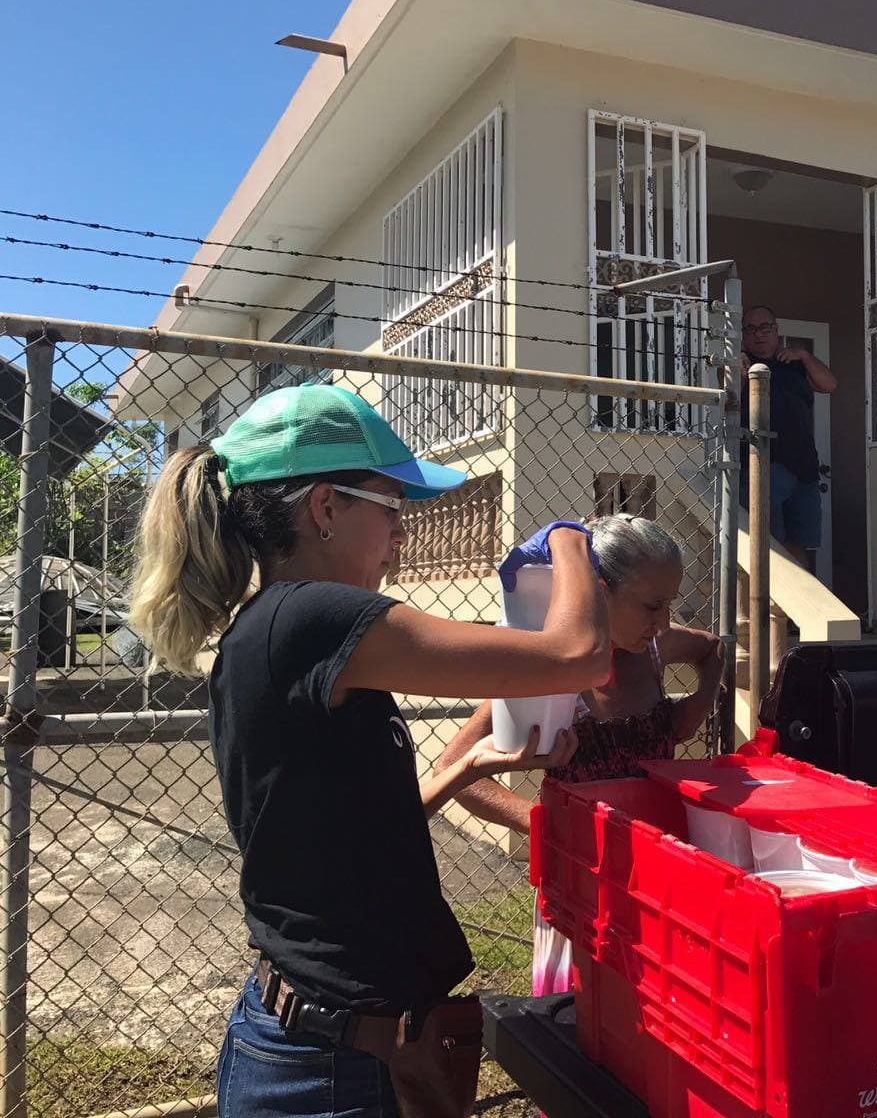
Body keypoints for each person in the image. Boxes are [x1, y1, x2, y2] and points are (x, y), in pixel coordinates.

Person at [128, 383, 611, 1118]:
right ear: (326, 508)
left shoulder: (283, 628)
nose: (402, 534)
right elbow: (577, 654)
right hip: (329, 1066)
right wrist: (573, 539)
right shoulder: (317, 617)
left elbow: (340, 833)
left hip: (328, 1042)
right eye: (393, 507)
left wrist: (468, 767)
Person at [437, 513, 724, 993]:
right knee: (585, 1011)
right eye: (653, 605)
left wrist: (696, 706)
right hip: (583, 879)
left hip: (659, 865)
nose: (663, 622)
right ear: (597, 589)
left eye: (669, 604)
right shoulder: (549, 669)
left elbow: (711, 649)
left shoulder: (653, 650)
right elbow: (453, 769)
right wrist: (541, 823)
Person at [736, 304, 836, 566]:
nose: (759, 334)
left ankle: (792, 606)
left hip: (804, 469)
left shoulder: (793, 364)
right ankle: (760, 606)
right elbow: (727, 400)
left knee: (799, 544)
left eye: (765, 327)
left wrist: (803, 355)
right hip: (763, 468)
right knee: (765, 545)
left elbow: (829, 384)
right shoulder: (741, 362)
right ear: (744, 334)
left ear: (776, 330)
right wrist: (739, 374)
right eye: (751, 329)